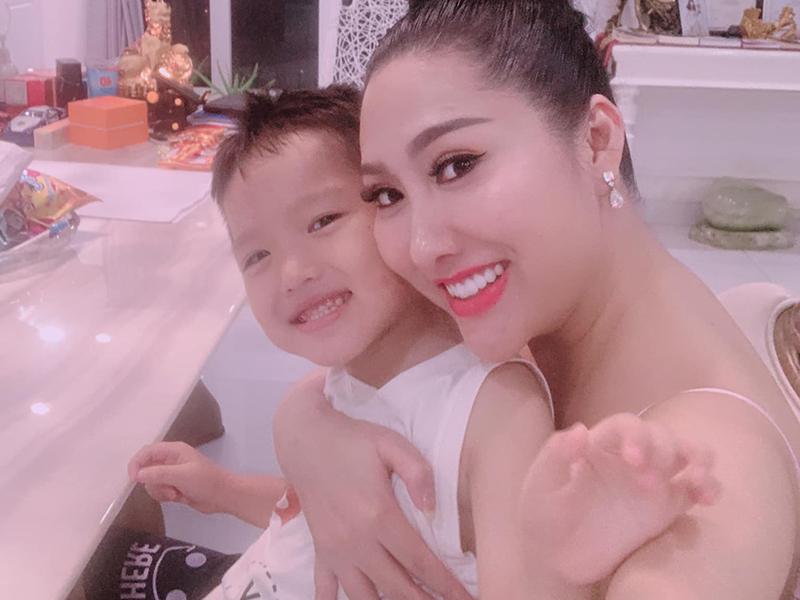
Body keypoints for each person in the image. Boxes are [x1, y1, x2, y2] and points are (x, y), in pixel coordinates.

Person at [82, 84, 716, 600]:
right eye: (257, 255)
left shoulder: (494, 410)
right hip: (250, 575)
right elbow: (328, 515)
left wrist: (573, 561)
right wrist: (221, 488)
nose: (292, 273)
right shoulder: (350, 377)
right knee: (100, 550)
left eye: (323, 221)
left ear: (393, 209)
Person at [271, 2, 800, 599]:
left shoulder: (711, 466)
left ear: (597, 140)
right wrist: (307, 432)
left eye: (456, 165)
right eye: (388, 194)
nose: (422, 247)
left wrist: (549, 575)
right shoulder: (535, 311)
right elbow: (343, 386)